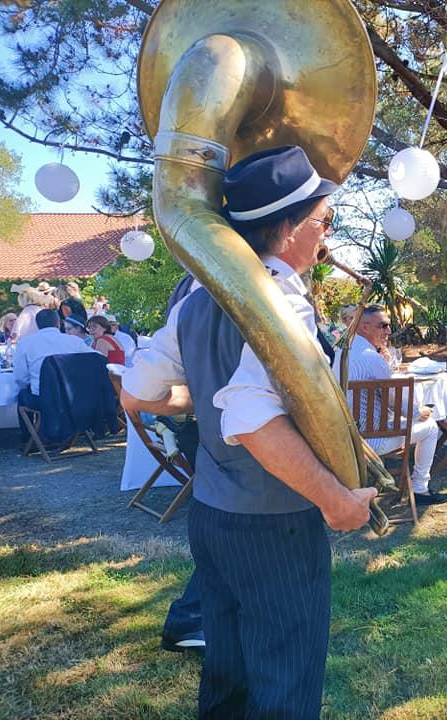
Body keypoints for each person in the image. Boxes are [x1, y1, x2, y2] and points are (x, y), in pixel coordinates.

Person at [121, 145, 375, 718]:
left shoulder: (193, 293)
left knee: (228, 680)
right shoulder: (281, 297)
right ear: (286, 231)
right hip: (276, 526)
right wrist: (335, 502)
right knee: (283, 686)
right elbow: (253, 418)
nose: (325, 237)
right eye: (322, 222)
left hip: (212, 514)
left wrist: (207, 403)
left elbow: (139, 393)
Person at [340, 304, 447, 506]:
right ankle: (420, 489)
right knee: (431, 427)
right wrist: (418, 412)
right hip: (372, 443)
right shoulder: (372, 358)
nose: (389, 331)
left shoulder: (341, 353)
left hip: (346, 439)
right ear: (364, 327)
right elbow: (394, 402)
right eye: (383, 326)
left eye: (388, 326)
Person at [13, 309, 94, 423]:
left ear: (37, 324)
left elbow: (20, 378)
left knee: (22, 394)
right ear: (58, 323)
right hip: (73, 395)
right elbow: (97, 358)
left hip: (42, 398)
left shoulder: (25, 343)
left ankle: (29, 437)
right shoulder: (74, 341)